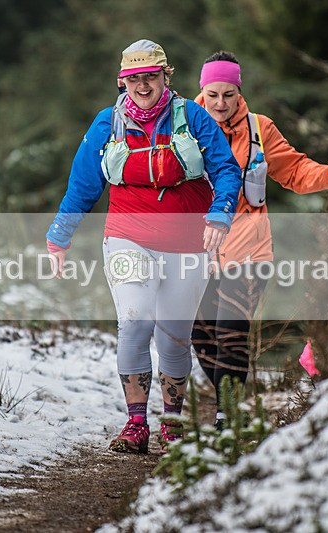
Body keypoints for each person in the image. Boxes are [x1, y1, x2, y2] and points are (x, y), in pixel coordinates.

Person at [46, 40, 241, 453]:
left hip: (189, 243)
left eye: (151, 76)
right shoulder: (107, 123)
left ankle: (171, 423)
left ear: (165, 76)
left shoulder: (194, 117)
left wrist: (220, 214)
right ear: (123, 81)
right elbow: (83, 185)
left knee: (173, 336)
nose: (143, 85)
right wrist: (59, 236)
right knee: (134, 320)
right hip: (126, 238)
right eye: (134, 78)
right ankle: (136, 423)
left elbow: (226, 169)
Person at [191, 51, 328, 430]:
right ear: (202, 91)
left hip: (249, 250)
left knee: (231, 334)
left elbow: (296, 170)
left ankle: (226, 418)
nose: (221, 104)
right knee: (201, 339)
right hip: (196, 251)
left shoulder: (259, 129)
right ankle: (227, 404)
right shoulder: (185, 125)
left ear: (239, 92)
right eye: (213, 95)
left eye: (229, 95)